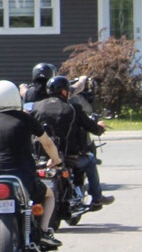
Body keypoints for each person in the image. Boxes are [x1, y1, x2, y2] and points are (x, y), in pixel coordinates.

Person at [0, 79, 63, 250]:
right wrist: (56, 160)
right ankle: (43, 232)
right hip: (23, 177)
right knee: (49, 195)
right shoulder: (26, 119)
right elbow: (48, 143)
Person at [35, 75, 110, 208]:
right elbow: (91, 127)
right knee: (91, 159)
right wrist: (100, 127)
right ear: (64, 91)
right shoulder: (73, 107)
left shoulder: (37, 107)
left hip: (42, 158)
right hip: (67, 158)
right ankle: (97, 197)